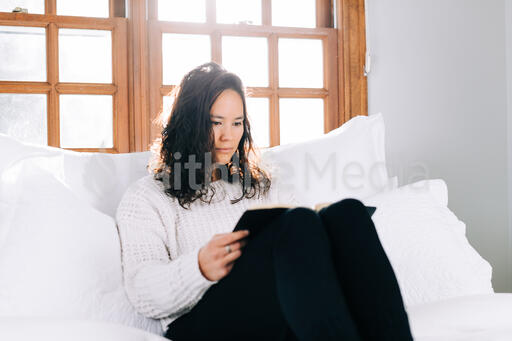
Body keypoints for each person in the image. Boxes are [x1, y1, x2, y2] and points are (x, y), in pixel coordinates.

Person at [115, 62, 413, 341]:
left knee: (347, 214)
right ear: (188, 124)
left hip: (273, 308)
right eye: (215, 123)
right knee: (296, 224)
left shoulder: (263, 187)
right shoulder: (148, 196)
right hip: (197, 324)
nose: (227, 137)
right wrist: (199, 267)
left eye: (237, 123)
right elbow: (142, 294)